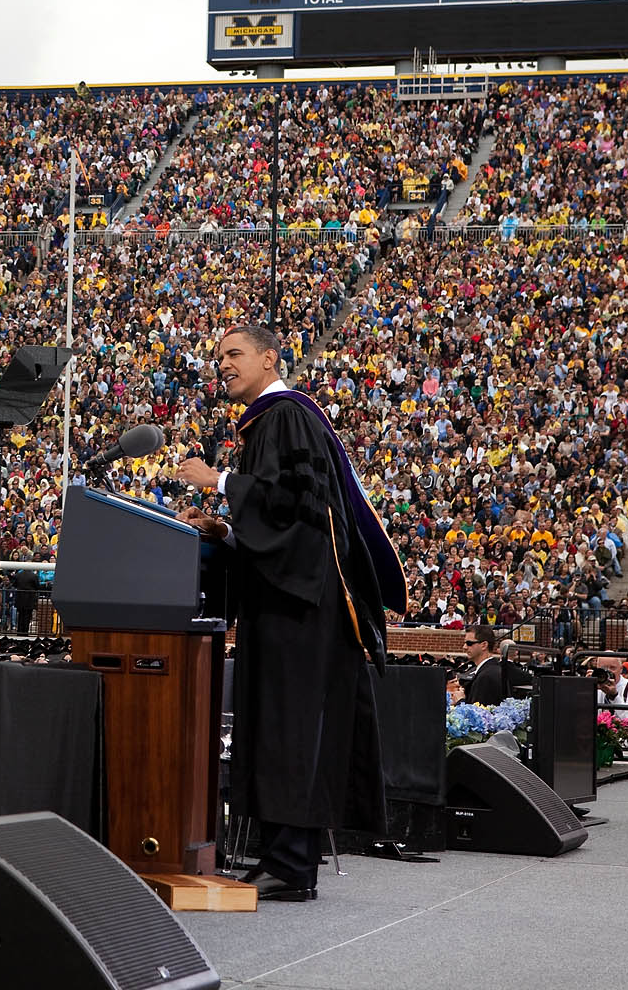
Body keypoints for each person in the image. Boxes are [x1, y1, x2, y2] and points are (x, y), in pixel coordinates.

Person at [175, 325, 401, 903]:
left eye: (234, 353)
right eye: (217, 355)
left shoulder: (286, 416)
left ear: (268, 358)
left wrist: (219, 481)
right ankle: (282, 859)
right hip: (289, 600)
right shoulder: (269, 422)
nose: (221, 364)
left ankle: (291, 865)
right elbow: (283, 517)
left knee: (292, 726)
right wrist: (227, 527)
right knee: (280, 725)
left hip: (302, 604)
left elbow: (302, 506)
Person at [461, 624, 509, 706]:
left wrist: (460, 701)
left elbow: (480, 713)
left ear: (484, 645)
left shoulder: (487, 675)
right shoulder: (486, 670)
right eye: (465, 643)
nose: (464, 647)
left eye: (469, 643)